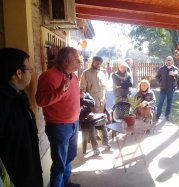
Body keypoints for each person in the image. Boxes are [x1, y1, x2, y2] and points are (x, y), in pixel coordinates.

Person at [36, 47, 81, 187]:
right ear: (66, 61)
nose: (79, 61)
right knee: (59, 163)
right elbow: (40, 101)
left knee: (70, 156)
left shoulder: (73, 76)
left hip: (74, 123)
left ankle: (66, 182)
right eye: (76, 59)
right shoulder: (48, 76)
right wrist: (60, 91)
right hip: (59, 126)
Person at [0, 48, 43, 187]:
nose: (32, 74)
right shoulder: (3, 103)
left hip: (28, 169)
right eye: (30, 70)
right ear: (19, 73)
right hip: (16, 177)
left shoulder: (19, 95)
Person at [80, 56, 111, 151]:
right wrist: (85, 103)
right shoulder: (86, 73)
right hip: (91, 103)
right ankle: (95, 145)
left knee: (102, 122)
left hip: (101, 102)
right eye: (96, 62)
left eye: (99, 62)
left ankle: (105, 143)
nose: (98, 64)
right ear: (92, 62)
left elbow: (105, 88)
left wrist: (105, 100)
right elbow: (82, 89)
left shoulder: (102, 73)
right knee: (92, 123)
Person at [79, 90, 110, 155]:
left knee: (103, 123)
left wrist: (83, 99)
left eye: (81, 91)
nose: (81, 92)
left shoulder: (86, 94)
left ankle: (106, 143)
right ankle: (95, 148)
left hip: (91, 117)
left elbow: (93, 103)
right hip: (82, 120)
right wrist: (80, 99)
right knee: (91, 126)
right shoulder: (75, 97)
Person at [155, 56, 179, 121]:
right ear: (165, 61)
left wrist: (174, 74)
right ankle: (157, 115)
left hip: (171, 89)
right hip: (163, 89)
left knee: (169, 103)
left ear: (172, 61)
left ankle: (167, 115)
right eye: (167, 60)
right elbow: (157, 77)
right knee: (160, 102)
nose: (168, 61)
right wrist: (161, 82)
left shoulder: (175, 69)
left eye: (170, 60)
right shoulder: (162, 69)